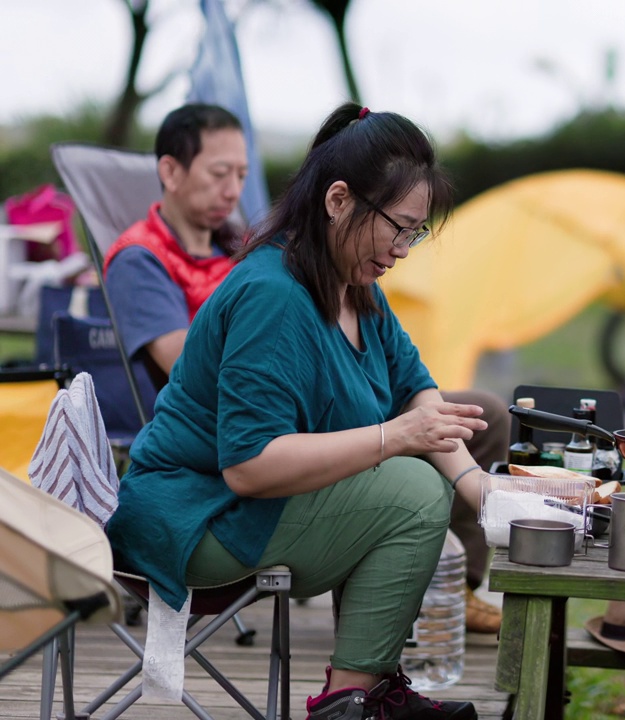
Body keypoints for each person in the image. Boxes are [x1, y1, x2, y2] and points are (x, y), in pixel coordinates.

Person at [106, 102, 492, 720]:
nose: (403, 249)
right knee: (414, 492)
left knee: (441, 458)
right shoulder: (273, 295)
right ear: (338, 200)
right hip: (197, 517)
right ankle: (351, 701)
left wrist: (486, 493)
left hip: (250, 509)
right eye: (398, 227)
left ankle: (366, 689)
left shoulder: (356, 288)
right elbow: (250, 465)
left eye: (415, 232)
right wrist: (395, 437)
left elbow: (417, 388)